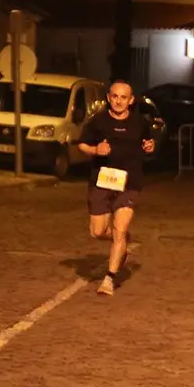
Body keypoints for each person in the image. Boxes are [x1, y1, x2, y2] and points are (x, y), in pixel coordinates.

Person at [77, 80, 155, 295]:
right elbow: (81, 144)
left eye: (123, 97)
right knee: (98, 231)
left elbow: (148, 143)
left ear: (130, 101)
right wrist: (95, 149)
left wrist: (150, 146)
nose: (119, 101)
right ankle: (121, 245)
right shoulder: (97, 122)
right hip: (101, 182)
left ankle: (109, 279)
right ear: (109, 98)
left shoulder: (140, 123)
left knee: (120, 228)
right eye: (115, 96)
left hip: (129, 183)